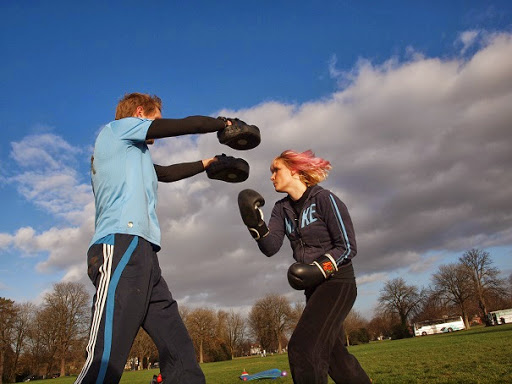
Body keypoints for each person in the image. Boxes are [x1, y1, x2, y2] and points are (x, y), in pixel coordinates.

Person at [76, 92, 235, 384]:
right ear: (139, 113)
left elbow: (167, 173)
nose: (159, 128)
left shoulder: (135, 155)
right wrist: (221, 123)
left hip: (145, 253)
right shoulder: (116, 132)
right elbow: (184, 125)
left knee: (180, 353)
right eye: (156, 118)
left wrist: (207, 163)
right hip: (120, 243)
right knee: (106, 359)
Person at [238, 150, 371, 384]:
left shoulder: (324, 199)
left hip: (338, 283)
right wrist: (255, 224)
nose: (271, 177)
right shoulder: (281, 209)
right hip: (313, 289)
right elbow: (270, 247)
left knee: (303, 347)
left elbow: (348, 246)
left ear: (295, 170)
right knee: (334, 357)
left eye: (275, 170)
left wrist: (320, 268)